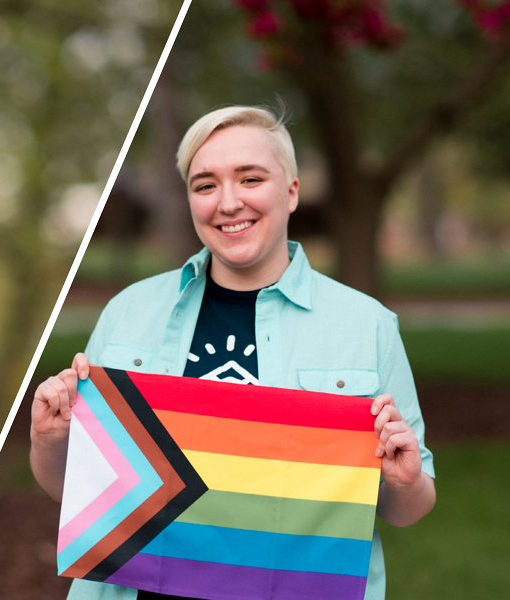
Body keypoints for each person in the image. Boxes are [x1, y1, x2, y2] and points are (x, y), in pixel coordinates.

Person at [31, 106, 435, 600]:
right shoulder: (128, 312)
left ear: (291, 191)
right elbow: (76, 490)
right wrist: (51, 438)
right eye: (205, 185)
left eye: (250, 179)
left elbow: (406, 509)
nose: (228, 202)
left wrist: (406, 480)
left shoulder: (366, 324)